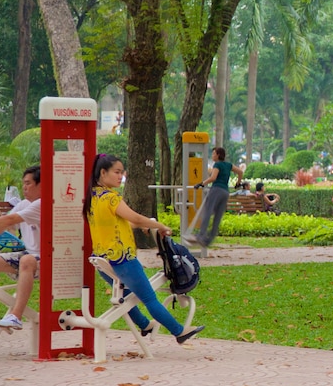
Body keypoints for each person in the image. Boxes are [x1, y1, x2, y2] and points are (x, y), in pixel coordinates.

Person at [85, 154, 204, 345]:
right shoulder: (111, 198)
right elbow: (136, 218)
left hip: (102, 261)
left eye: (121, 173)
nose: (120, 177)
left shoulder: (93, 197)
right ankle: (179, 331)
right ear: (103, 172)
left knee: (124, 297)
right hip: (122, 260)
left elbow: (114, 224)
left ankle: (144, 325)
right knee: (149, 298)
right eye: (116, 172)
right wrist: (160, 226)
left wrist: (141, 226)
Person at [0, 166, 41, 331]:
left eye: (28, 183)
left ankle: (16, 316)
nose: (24, 187)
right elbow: (7, 224)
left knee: (27, 260)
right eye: (23, 183)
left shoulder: (42, 203)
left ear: (41, 185)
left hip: (48, 258)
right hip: (29, 254)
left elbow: (7, 221)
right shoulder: (25, 203)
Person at [186, 147, 242, 247]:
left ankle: (201, 235)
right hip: (225, 192)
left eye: (213, 154)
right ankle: (209, 240)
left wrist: (201, 183)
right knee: (217, 216)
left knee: (207, 212)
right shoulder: (228, 165)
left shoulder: (218, 164)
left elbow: (213, 177)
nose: (212, 156)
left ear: (218, 155)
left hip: (216, 190)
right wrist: (238, 183)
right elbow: (240, 172)